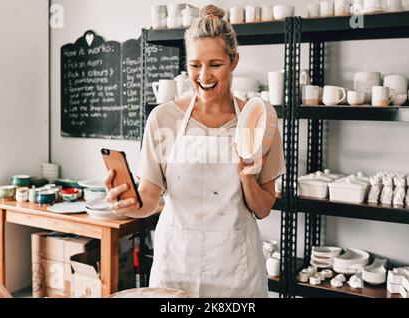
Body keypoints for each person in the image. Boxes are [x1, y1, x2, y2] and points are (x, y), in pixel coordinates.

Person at [104, 4, 285, 298]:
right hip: (177, 264)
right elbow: (149, 198)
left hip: (236, 268)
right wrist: (127, 204)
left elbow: (263, 208)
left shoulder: (257, 119)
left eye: (215, 64)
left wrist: (247, 178)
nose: (204, 76)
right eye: (194, 65)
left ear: (234, 61)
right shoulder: (163, 118)